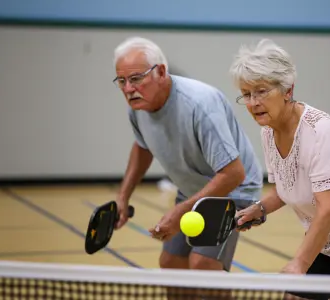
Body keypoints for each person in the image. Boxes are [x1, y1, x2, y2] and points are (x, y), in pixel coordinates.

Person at [229, 38, 330, 300]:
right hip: (328, 232)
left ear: (287, 91)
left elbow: (328, 208)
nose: (253, 102)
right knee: (295, 297)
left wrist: (299, 264)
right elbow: (287, 187)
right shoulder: (269, 132)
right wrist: (259, 209)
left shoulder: (320, 130)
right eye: (247, 94)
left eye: (261, 91)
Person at [112, 36, 263, 273]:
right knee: (171, 265)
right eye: (122, 81)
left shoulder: (201, 105)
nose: (129, 89)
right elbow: (142, 147)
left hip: (234, 190)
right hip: (195, 189)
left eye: (136, 79)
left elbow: (233, 174)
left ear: (160, 72)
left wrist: (179, 211)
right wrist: (123, 197)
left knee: (204, 264)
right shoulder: (139, 109)